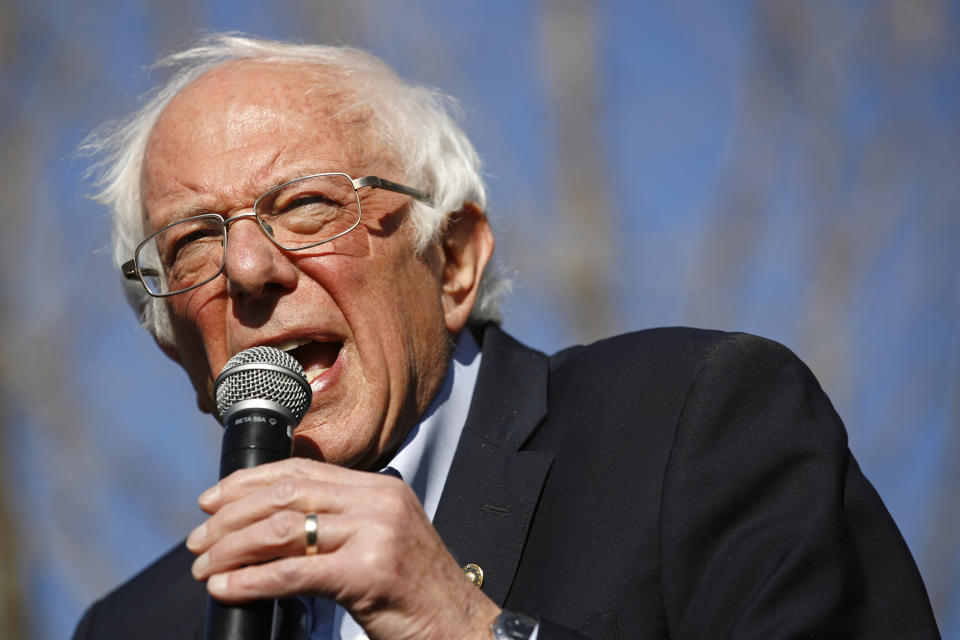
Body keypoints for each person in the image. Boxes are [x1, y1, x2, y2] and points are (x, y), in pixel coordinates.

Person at [73, 34, 940, 640]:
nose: (251, 268)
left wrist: (464, 629)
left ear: (453, 260)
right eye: (194, 241)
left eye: (306, 205)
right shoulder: (127, 627)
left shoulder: (695, 423)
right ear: (172, 344)